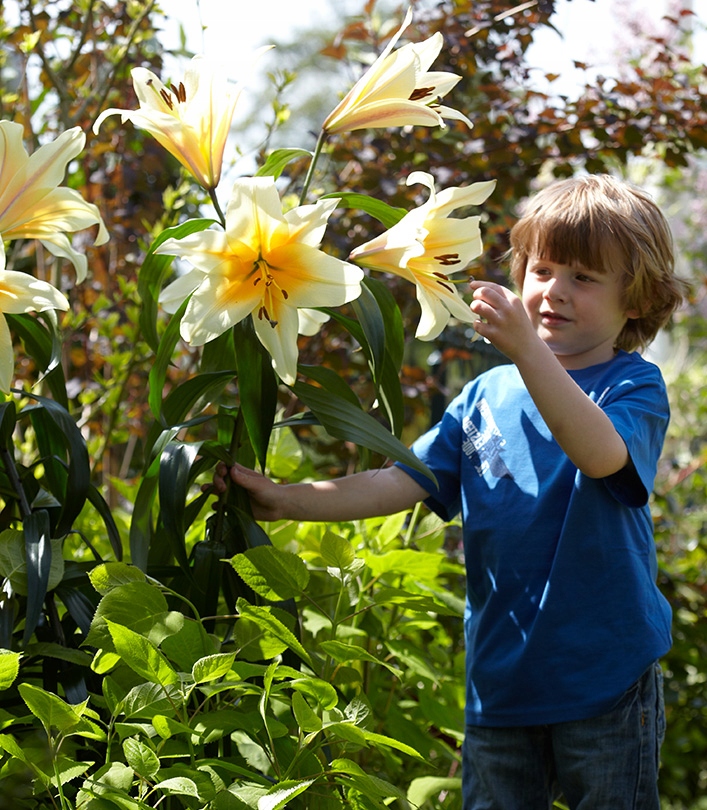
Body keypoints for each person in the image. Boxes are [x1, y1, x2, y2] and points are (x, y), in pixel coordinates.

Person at [212, 174, 688, 809]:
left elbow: (600, 456)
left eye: (584, 277)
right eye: (542, 269)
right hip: (502, 679)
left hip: (605, 676)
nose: (554, 291)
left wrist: (525, 350)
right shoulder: (483, 398)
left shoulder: (633, 386)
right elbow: (398, 481)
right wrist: (289, 498)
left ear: (637, 300)